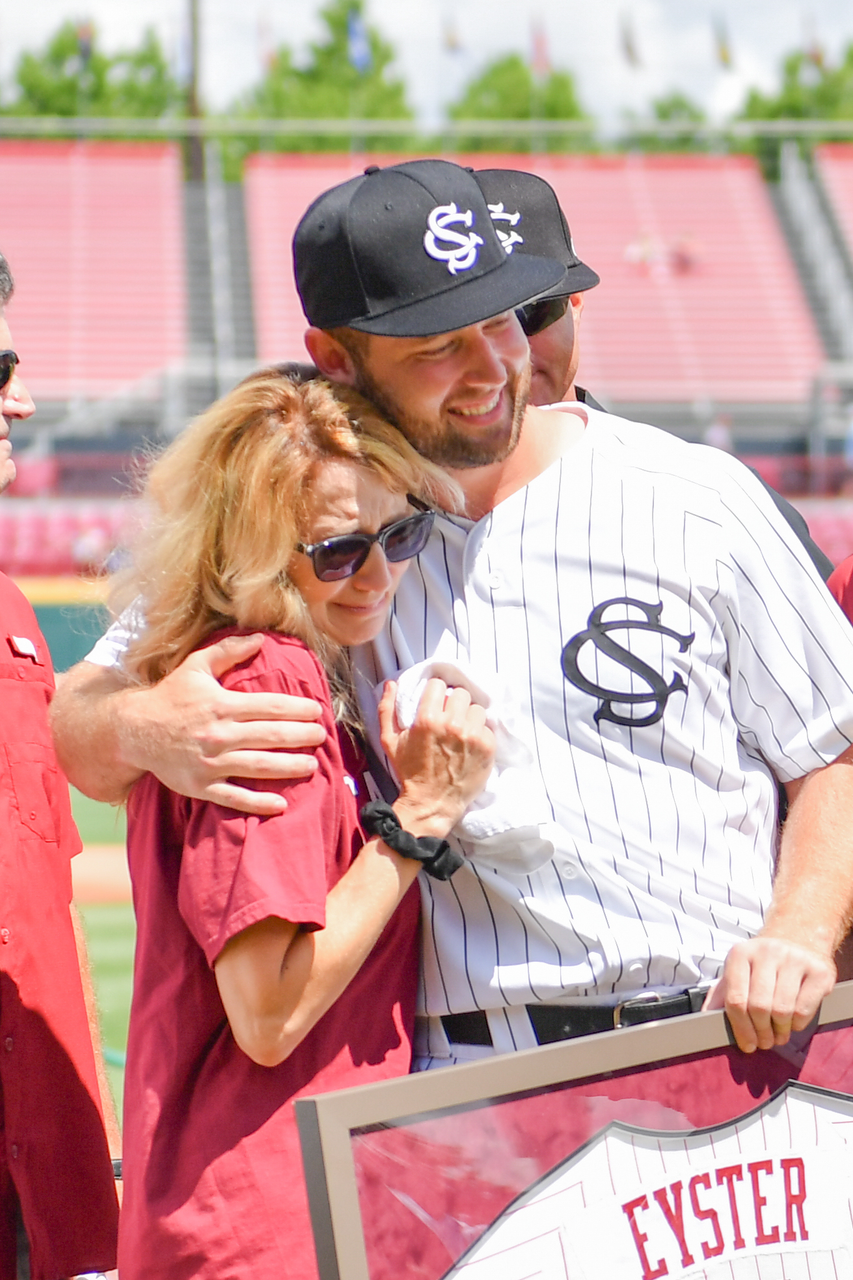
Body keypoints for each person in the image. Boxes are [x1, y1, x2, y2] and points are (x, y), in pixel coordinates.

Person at [51, 159, 853, 1068]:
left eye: (503, 320)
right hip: (463, 1090)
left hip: (718, 1042)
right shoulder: (308, 526)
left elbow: (833, 747)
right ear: (335, 358)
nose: (489, 370)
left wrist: (797, 930)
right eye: (436, 344)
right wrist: (144, 726)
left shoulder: (696, 495)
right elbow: (78, 727)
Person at [112, 371, 494, 1279]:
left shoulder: (255, 669)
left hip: (260, 1203)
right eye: (334, 552)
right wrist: (420, 816)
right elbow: (269, 1011)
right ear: (248, 554)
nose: (378, 574)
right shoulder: (268, 681)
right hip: (269, 1215)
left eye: (398, 533)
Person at [475, 166, 835, 581]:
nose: (509, 349)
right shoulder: (391, 530)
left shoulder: (715, 502)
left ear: (575, 303)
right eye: (479, 323)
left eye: (531, 312)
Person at [0, 255, 118, 1278]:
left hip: (50, 1190)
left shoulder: (17, 614)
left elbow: (50, 905)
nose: (23, 399)